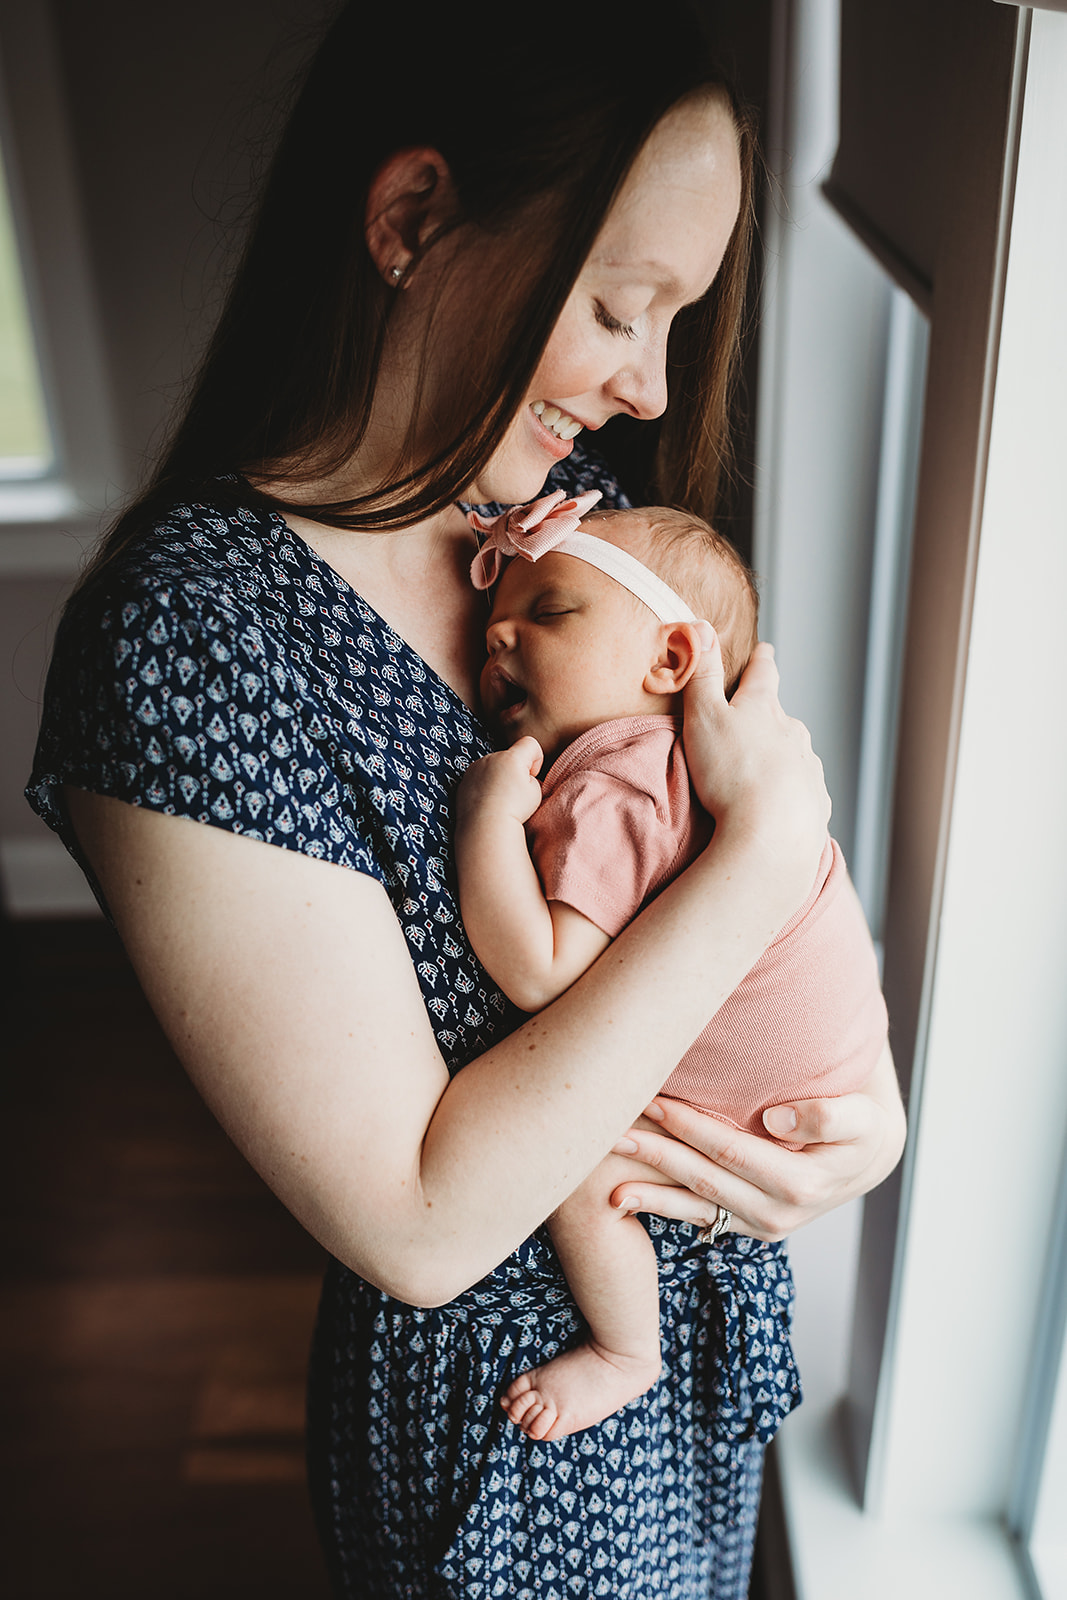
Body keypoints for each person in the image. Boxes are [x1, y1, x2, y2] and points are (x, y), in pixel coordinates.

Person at [25, 5, 905, 1596]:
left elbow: (751, 868)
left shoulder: (576, 533)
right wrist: (761, 855)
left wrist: (856, 1113)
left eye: (675, 319)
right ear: (414, 218)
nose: (647, 386)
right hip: (518, 1448)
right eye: (622, 306)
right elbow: (423, 1221)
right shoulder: (191, 635)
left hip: (695, 1345)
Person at [454, 495, 889, 1444]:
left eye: (550, 612)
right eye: (496, 620)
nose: (499, 634)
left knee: (581, 1161)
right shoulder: (689, 768)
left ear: (671, 660)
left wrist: (484, 817)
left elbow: (540, 972)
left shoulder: (615, 776)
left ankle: (623, 1349)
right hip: (832, 1071)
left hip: (750, 1103)